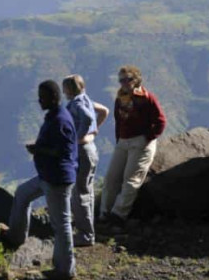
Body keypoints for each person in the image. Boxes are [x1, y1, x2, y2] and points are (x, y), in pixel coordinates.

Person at [3, 80, 78, 280]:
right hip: (47, 176)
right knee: (22, 193)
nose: (39, 100)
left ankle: (65, 269)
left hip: (57, 179)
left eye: (42, 97)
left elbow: (61, 151)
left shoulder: (60, 120)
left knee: (61, 224)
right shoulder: (54, 117)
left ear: (53, 98)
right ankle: (15, 237)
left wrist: (38, 150)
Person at [100, 65, 166, 225]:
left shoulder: (147, 98)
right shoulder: (119, 98)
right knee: (110, 179)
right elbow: (118, 121)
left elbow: (160, 121)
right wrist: (119, 140)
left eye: (128, 79)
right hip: (123, 142)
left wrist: (147, 138)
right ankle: (104, 214)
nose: (124, 83)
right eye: (121, 80)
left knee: (131, 180)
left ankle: (118, 215)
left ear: (136, 80)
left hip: (140, 142)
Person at [62, 75, 109, 247]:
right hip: (91, 150)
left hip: (81, 151)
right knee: (87, 191)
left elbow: (88, 118)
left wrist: (79, 137)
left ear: (69, 89)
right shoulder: (86, 99)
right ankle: (88, 232)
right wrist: (93, 132)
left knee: (79, 193)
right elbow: (104, 111)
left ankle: (85, 235)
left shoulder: (77, 104)